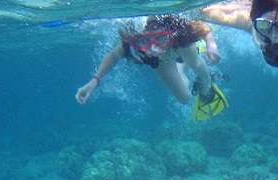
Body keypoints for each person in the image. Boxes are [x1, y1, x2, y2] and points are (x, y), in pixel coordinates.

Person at [75, 15, 228, 121]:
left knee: (194, 61)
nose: (153, 47)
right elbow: (114, 56)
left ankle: (188, 59)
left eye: (159, 38)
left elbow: (203, 32)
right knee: (185, 98)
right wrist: (94, 81)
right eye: (146, 40)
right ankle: (180, 67)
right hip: (162, 60)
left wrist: (211, 46)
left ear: (168, 32)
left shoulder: (180, 33)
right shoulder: (133, 41)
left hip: (176, 46)